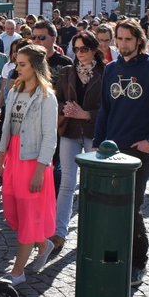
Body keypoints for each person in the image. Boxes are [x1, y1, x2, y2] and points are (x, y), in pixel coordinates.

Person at [93, 19, 149, 287]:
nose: (123, 44)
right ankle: (113, 256)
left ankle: (138, 262)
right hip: (110, 149)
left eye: (129, 39)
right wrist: (98, 142)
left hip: (139, 150)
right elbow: (105, 109)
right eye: (120, 39)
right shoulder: (111, 69)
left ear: (138, 40)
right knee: (106, 206)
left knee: (132, 208)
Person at [0, 44, 58, 283]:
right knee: (15, 214)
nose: (17, 68)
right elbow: (6, 130)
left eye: (22, 64)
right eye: (16, 63)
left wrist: (40, 171)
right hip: (14, 159)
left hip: (33, 163)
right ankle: (43, 244)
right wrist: (0, 161)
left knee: (29, 217)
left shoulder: (46, 97)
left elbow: (49, 137)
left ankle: (17, 272)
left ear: (35, 67)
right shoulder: (14, 91)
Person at [52, 31, 104, 254]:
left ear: (94, 49)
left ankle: (92, 230)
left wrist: (87, 114)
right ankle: (59, 232)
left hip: (93, 132)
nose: (80, 54)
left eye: (84, 49)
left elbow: (109, 108)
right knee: (67, 182)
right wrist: (66, 108)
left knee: (92, 185)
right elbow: (57, 98)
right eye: (77, 49)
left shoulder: (106, 72)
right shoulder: (66, 72)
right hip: (70, 131)